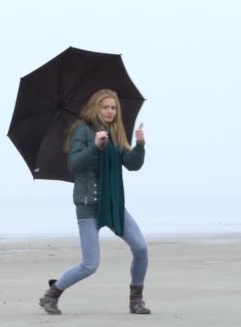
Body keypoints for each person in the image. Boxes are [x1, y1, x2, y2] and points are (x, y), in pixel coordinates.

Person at [38, 89, 150, 315]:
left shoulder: (116, 132)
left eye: (113, 107)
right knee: (90, 265)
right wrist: (95, 146)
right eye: (105, 107)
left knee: (140, 248)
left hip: (112, 202)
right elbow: (75, 165)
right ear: (95, 108)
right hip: (88, 204)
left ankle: (136, 300)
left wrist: (139, 146)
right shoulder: (83, 130)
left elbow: (131, 164)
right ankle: (52, 293)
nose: (110, 111)